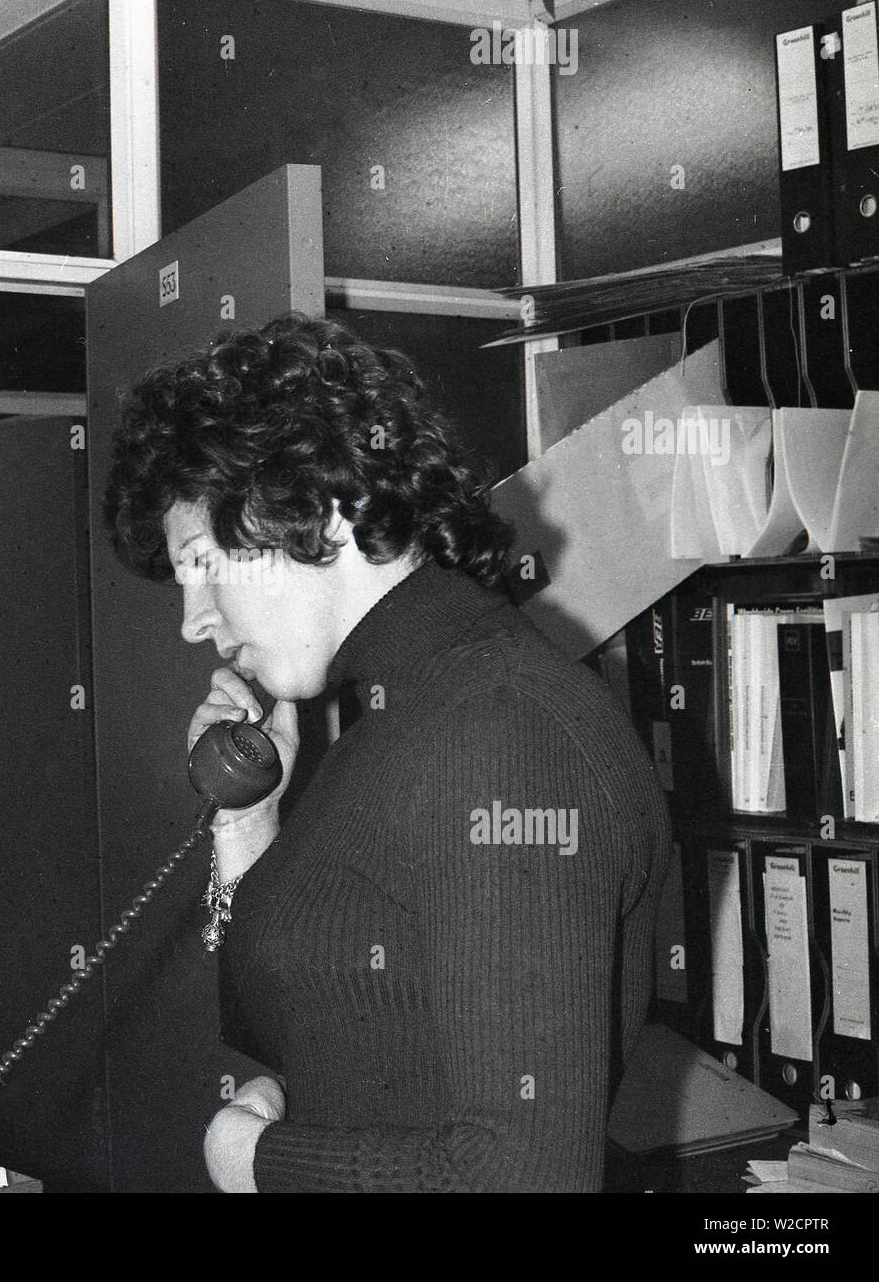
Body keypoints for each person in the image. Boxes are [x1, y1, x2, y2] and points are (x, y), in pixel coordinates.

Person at [103, 311, 671, 1192]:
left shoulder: (499, 735)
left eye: (203, 564)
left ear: (313, 501)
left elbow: (521, 1175)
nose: (194, 621)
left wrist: (254, 1161)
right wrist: (248, 826)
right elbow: (316, 1020)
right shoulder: (396, 713)